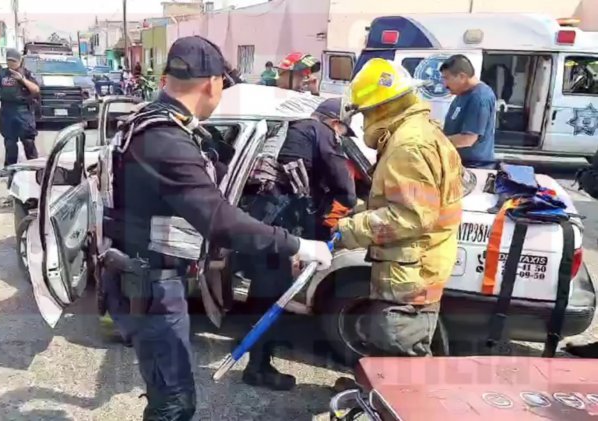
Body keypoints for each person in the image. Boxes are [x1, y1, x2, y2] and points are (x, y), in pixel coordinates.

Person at [105, 35, 333, 420]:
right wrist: (297, 245)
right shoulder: (165, 138)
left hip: (145, 277)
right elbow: (218, 221)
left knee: (169, 394)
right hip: (151, 285)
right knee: (174, 403)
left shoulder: (154, 123)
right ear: (213, 83)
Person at [335, 58, 464, 361]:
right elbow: (408, 199)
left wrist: (347, 229)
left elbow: (412, 216)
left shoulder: (407, 145)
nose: (364, 119)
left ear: (381, 107)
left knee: (401, 355)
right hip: (422, 263)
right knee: (394, 351)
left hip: (411, 275)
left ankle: (398, 405)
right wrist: (362, 209)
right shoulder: (420, 132)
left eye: (365, 111)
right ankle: (378, 394)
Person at [238, 97, 358, 391]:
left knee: (263, 295)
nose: (341, 137)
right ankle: (258, 368)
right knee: (272, 299)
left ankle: (258, 360)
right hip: (278, 228)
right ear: (334, 122)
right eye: (343, 131)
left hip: (261, 222)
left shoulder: (292, 129)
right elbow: (346, 190)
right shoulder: (322, 133)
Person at [0, 48, 40, 175]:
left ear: (20, 61)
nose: (11, 63)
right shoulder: (2, 74)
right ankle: (10, 168)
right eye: (9, 61)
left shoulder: (26, 73)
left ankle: (35, 168)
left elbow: (36, 90)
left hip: (23, 111)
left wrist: (22, 79)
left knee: (28, 141)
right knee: (10, 142)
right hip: (7, 110)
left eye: (14, 61)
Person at [440, 54, 497, 169]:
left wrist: (435, 142)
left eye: (447, 78)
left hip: (473, 167)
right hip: (458, 164)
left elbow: (467, 139)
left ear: (462, 76)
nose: (444, 84)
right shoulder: (462, 93)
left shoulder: (479, 97)